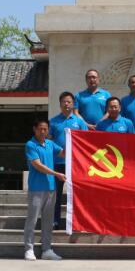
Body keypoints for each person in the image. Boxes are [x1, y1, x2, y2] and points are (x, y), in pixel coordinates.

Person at [24, 117, 65, 261]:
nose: (43, 132)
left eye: (45, 129)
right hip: (36, 188)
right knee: (32, 220)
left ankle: (47, 249)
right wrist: (56, 174)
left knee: (48, 221)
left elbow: (63, 153)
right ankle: (29, 249)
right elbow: (38, 165)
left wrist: (75, 140)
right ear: (34, 129)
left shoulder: (50, 144)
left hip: (51, 188)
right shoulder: (30, 145)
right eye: (40, 129)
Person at [49, 91, 88, 230]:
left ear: (73, 104)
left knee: (77, 195)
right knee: (56, 194)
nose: (66, 104)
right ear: (60, 104)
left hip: (75, 164)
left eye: (69, 102)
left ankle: (78, 222)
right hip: (57, 164)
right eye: (64, 102)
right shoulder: (53, 122)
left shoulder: (79, 122)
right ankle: (54, 221)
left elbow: (86, 142)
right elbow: (49, 142)